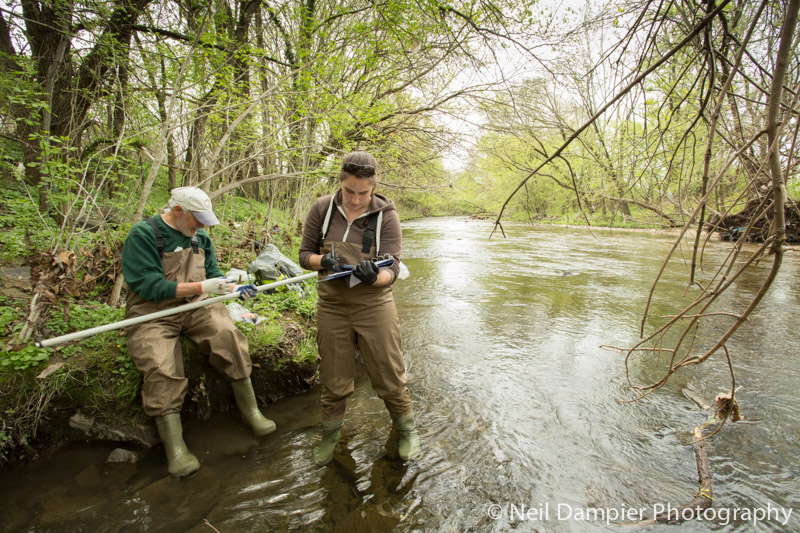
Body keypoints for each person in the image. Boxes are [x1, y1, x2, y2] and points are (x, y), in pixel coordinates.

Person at [121, 186, 275, 477]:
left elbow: (214, 274)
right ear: (178, 211)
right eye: (198, 219)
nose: (202, 226)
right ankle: (176, 449)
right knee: (160, 364)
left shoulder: (200, 237)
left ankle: (251, 412)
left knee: (228, 336)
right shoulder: (143, 235)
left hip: (196, 306)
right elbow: (147, 286)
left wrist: (233, 289)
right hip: (153, 313)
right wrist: (203, 287)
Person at [299, 150, 420, 465]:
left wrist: (375, 277)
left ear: (374, 186)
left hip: (374, 303)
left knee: (388, 373)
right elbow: (304, 255)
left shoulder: (386, 216)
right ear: (340, 182)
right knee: (334, 377)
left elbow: (391, 270)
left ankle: (406, 430)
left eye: (363, 193)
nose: (355, 199)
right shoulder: (322, 209)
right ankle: (330, 436)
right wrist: (321, 260)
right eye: (349, 191)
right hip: (332, 303)